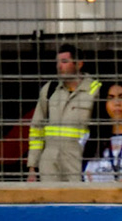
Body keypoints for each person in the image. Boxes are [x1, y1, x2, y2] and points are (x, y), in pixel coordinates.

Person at [26, 43, 101, 182]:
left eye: (65, 61)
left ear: (79, 64)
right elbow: (37, 128)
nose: (59, 66)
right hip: (49, 162)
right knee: (49, 200)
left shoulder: (95, 90)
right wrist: (32, 167)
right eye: (58, 62)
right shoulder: (49, 90)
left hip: (79, 158)